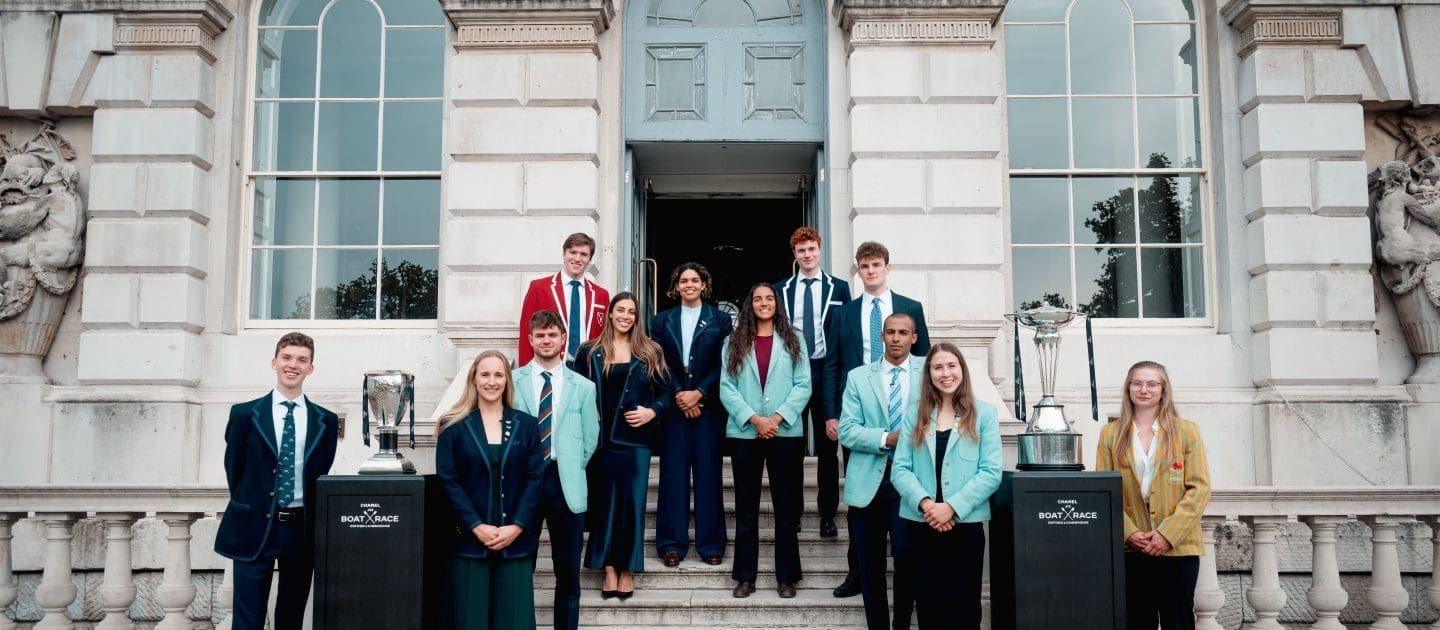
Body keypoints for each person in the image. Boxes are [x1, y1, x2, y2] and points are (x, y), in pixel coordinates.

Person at [822, 240, 931, 598]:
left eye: (876, 265)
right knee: (861, 497)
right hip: (859, 416)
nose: (870, 271)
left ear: (887, 268)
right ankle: (859, 572)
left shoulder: (910, 308)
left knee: (909, 494)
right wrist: (831, 414)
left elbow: (926, 363)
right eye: (864, 266)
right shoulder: (843, 314)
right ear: (858, 270)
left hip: (906, 419)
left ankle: (909, 574)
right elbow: (832, 366)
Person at [215, 332, 340, 630]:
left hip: (301, 529)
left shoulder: (325, 420)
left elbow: (320, 471)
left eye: (302, 360)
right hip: (254, 525)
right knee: (248, 618)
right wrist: (255, 503)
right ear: (274, 362)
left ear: (310, 368)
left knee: (291, 615)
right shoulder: (244, 415)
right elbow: (235, 470)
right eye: (287, 357)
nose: (293, 365)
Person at [891, 343, 1002, 630]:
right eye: (938, 367)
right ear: (929, 373)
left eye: (951, 365)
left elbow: (990, 472)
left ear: (962, 370)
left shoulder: (985, 414)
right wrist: (928, 505)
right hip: (922, 525)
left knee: (965, 610)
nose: (945, 373)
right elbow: (900, 469)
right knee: (929, 609)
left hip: (965, 527)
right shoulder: (915, 414)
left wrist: (951, 507)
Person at [1096, 361, 1212, 630]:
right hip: (1131, 549)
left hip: (1178, 548)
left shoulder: (1187, 431)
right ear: (1128, 388)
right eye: (1137, 383)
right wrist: (1129, 533)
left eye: (1152, 384)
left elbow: (1199, 488)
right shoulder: (1111, 434)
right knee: (1136, 621)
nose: (1144, 389)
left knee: (1179, 621)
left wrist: (1167, 535)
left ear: (1163, 389)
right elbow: (1104, 491)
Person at [434, 350, 546, 630]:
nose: (492, 382)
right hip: (469, 541)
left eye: (499, 375)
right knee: (469, 619)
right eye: (485, 374)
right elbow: (448, 481)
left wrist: (517, 527)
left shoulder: (527, 425)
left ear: (507, 380)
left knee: (514, 621)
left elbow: (535, 479)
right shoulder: (453, 426)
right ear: (474, 379)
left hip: (515, 542)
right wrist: (476, 526)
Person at [575, 292, 673, 599]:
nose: (625, 316)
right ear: (610, 313)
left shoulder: (651, 351)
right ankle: (608, 569)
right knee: (604, 505)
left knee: (632, 504)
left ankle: (628, 568)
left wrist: (652, 411)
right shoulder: (589, 351)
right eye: (620, 310)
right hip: (600, 441)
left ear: (637, 317)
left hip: (635, 440)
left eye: (631, 312)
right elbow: (575, 390)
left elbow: (667, 392)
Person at [718, 283, 811, 599]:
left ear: (777, 303)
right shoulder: (733, 341)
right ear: (750, 305)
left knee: (786, 508)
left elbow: (803, 384)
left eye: (769, 298)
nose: (763, 303)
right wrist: (755, 419)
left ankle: (787, 576)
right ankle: (745, 577)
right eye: (757, 299)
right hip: (746, 433)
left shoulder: (794, 339)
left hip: (785, 433)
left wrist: (777, 418)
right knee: (746, 508)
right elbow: (726, 387)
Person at [511, 310, 600, 630]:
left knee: (568, 573)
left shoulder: (583, 386)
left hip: (566, 483)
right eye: (540, 335)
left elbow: (590, 438)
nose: (546, 340)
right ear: (531, 339)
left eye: (552, 335)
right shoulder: (513, 382)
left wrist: (572, 466)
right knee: (520, 569)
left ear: (563, 339)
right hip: (524, 483)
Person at [837, 314, 925, 629]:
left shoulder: (929, 371)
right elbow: (847, 430)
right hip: (869, 482)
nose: (896, 338)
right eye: (890, 332)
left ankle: (901, 624)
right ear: (882, 336)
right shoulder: (859, 377)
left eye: (903, 332)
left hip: (912, 481)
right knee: (870, 565)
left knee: (906, 558)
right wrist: (886, 438)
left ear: (914, 337)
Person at [652, 263, 734, 567]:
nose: (689, 284)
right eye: (683, 280)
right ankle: (671, 544)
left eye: (695, 280)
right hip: (673, 409)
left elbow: (725, 361)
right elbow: (657, 360)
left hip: (708, 408)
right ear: (676, 286)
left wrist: (699, 392)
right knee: (672, 477)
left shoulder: (720, 319)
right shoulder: (662, 320)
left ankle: (711, 544)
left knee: (708, 476)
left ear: (704, 284)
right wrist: (679, 394)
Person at [772, 227, 851, 539]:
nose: (807, 255)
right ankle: (792, 514)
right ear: (794, 254)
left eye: (811, 249)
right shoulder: (780, 289)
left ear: (820, 250)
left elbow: (845, 333)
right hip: (792, 374)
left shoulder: (839, 288)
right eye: (801, 250)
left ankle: (827, 515)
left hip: (825, 372)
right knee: (791, 448)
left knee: (828, 450)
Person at [519, 232, 610, 366]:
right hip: (550, 366)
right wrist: (525, 372)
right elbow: (527, 332)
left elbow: (606, 338)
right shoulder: (539, 288)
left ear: (590, 259)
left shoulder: (601, 295)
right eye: (573, 252)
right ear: (564, 254)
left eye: (584, 254)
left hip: (589, 369)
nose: (577, 258)